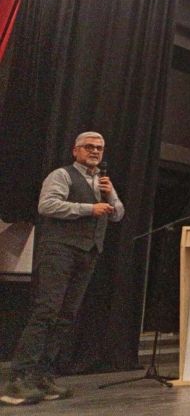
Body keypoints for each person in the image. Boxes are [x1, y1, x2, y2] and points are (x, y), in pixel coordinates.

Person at [1, 132, 124, 406]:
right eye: (89, 147)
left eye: (100, 148)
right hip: (59, 250)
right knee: (46, 312)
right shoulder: (62, 175)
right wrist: (88, 208)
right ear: (75, 150)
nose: (95, 151)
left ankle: (41, 375)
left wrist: (110, 194)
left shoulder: (103, 181)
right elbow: (47, 205)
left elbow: (118, 213)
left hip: (88, 253)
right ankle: (17, 379)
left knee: (65, 316)